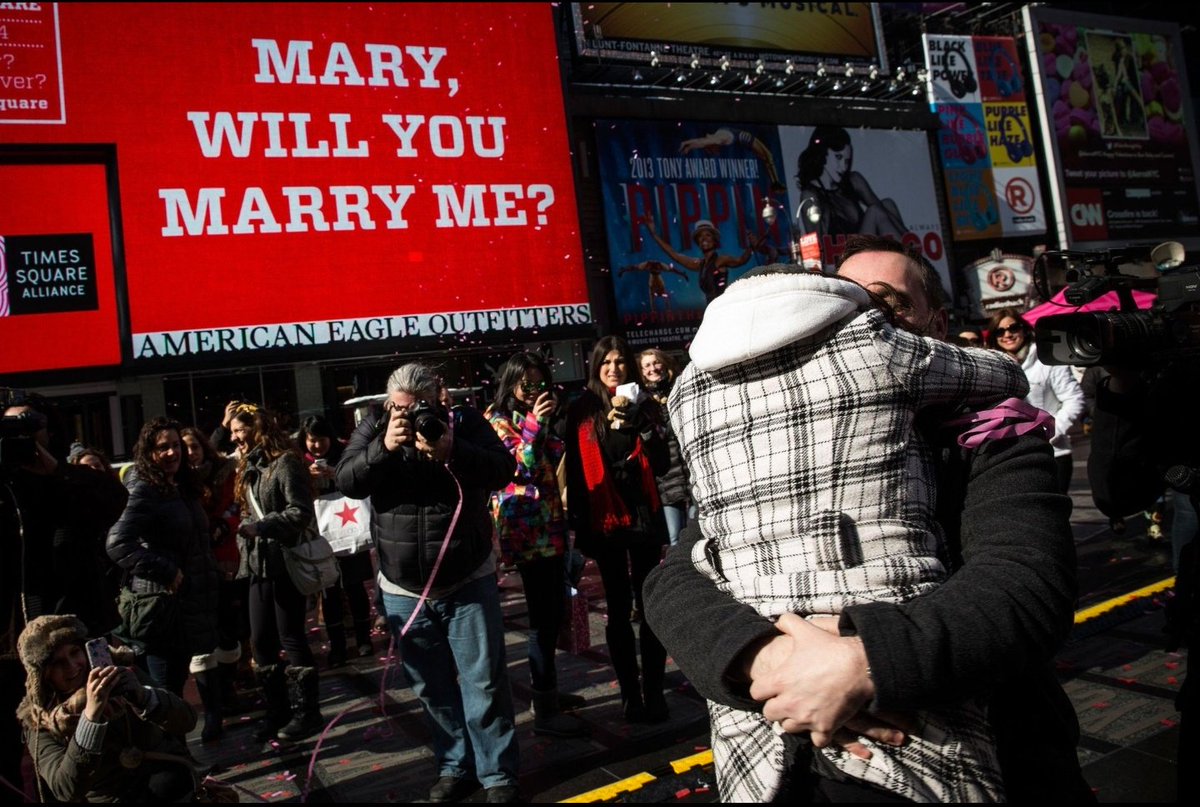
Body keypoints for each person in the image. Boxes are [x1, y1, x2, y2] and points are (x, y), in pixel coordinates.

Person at [643, 235, 1092, 802]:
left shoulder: (994, 434)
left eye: (889, 304)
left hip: (983, 758)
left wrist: (862, 663)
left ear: (937, 321)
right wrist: (767, 660)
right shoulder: (781, 445)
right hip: (777, 763)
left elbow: (1025, 586)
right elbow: (675, 578)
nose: (863, 320)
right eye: (849, 302)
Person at [335, 362, 521, 804]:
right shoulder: (374, 427)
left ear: (441, 400)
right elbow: (346, 480)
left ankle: (497, 775)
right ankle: (455, 766)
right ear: (387, 404)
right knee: (431, 686)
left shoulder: (466, 422)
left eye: (420, 408)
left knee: (485, 682)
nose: (411, 416)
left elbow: (502, 469)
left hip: (466, 578)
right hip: (402, 589)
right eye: (400, 408)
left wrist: (453, 448)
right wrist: (383, 446)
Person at [2, 392, 128, 794]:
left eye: (29, 425)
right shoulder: (5, 490)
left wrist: (52, 468)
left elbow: (113, 500)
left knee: (103, 740)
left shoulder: (70, 483)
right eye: (10, 428)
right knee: (36, 753)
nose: (20, 437)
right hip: (17, 646)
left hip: (79, 637)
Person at [563, 336, 671, 723]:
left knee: (650, 606)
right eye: (606, 362)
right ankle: (630, 694)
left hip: (643, 516)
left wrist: (643, 425)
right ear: (596, 367)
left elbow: (660, 463)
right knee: (618, 609)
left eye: (620, 362)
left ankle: (655, 692)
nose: (614, 369)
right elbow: (576, 475)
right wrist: (579, 528)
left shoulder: (646, 405)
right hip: (605, 520)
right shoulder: (582, 410)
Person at [485, 351, 588, 738]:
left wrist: (550, 424)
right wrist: (536, 424)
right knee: (541, 619)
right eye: (526, 384)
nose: (533, 391)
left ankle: (550, 694)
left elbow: (553, 462)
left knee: (552, 613)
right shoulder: (495, 422)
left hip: (552, 525)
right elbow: (518, 469)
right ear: (511, 384)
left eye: (539, 383)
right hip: (526, 531)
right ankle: (545, 708)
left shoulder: (539, 418)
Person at [107, 418, 222, 739]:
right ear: (148, 452)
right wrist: (165, 570)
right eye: (162, 447)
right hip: (158, 609)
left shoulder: (180, 485)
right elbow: (117, 543)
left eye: (176, 445)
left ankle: (182, 768)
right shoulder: (143, 487)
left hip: (186, 605)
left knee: (172, 691)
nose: (172, 452)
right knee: (163, 696)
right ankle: (173, 773)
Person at [15, 615, 197, 803]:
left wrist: (144, 697)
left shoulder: (118, 671)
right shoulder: (40, 719)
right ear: (43, 675)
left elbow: (188, 721)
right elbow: (65, 789)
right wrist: (90, 719)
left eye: (75, 652)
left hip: (175, 784)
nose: (72, 666)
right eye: (58, 663)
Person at [231, 403, 325, 743]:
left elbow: (300, 512)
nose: (234, 437)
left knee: (291, 636)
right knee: (260, 641)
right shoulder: (249, 466)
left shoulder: (284, 462)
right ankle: (277, 710)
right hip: (256, 565)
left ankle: (307, 712)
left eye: (238, 430)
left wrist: (262, 526)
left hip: (285, 562)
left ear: (256, 428)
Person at [181, 425, 247, 737]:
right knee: (201, 638)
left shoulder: (224, 473)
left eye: (193, 446)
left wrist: (222, 524)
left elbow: (237, 504)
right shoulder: (174, 482)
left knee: (229, 630)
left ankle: (229, 689)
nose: (189, 453)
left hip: (224, 558)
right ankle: (213, 710)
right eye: (184, 448)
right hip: (192, 567)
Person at [986, 307, 1086, 494]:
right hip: (1010, 457)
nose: (1007, 334)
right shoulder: (990, 367)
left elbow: (1074, 399)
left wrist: (1052, 431)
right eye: (1000, 331)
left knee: (1054, 517)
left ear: (1024, 329)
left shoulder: (1047, 360)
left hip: (1052, 453)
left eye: (1013, 328)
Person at [302, 414, 375, 668]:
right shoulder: (301, 461)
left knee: (355, 586)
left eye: (321, 440)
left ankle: (364, 638)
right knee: (329, 591)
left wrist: (336, 474)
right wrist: (307, 478)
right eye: (312, 441)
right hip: (322, 533)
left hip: (349, 527)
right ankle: (337, 646)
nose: (317, 446)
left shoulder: (346, 453)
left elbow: (360, 479)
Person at [794, 126, 907, 240]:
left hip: (868, 248)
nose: (843, 167)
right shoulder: (810, 196)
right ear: (822, 154)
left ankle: (912, 247)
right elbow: (816, 243)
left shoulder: (853, 180)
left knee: (887, 205)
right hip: (845, 255)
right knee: (874, 212)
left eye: (847, 161)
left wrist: (908, 236)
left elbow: (882, 210)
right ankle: (910, 251)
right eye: (838, 157)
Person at [636, 349, 691, 548]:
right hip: (665, 477)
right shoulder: (643, 400)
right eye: (647, 365)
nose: (653, 368)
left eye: (656, 362)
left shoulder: (680, 389)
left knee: (698, 535)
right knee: (675, 538)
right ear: (641, 372)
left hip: (692, 473)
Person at [641, 216, 760, 303]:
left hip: (723, 308)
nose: (704, 238)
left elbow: (741, 260)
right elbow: (674, 255)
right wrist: (653, 233)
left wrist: (751, 247)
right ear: (698, 242)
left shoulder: (721, 260)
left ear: (714, 240)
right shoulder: (699, 264)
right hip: (711, 310)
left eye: (708, 235)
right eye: (700, 236)